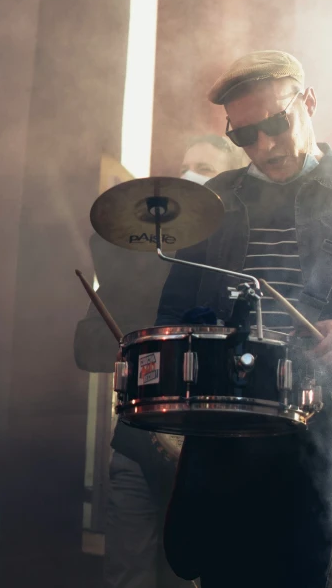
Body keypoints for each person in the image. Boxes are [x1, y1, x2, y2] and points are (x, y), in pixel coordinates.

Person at [158, 50, 332, 588]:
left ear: (307, 102)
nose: (263, 147)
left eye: (274, 125)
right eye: (244, 136)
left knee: (298, 573)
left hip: (316, 413)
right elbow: (173, 311)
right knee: (214, 569)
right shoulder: (215, 201)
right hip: (225, 419)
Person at [74, 135, 245, 588]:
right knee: (126, 575)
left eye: (204, 170)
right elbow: (86, 346)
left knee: (187, 576)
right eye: (185, 167)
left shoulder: (236, 265)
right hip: (136, 441)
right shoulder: (137, 263)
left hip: (208, 450)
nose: (188, 179)